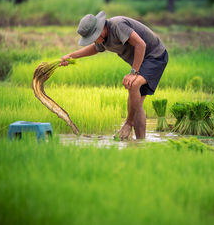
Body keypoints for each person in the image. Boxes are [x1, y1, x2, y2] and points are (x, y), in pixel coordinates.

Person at [60, 11, 168, 140]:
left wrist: (133, 72)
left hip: (154, 56)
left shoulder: (117, 26)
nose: (94, 41)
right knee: (137, 103)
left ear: (99, 31)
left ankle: (128, 123)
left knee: (133, 84)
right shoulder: (102, 38)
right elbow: (95, 48)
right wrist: (71, 56)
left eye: (93, 38)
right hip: (142, 60)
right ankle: (140, 144)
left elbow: (141, 44)